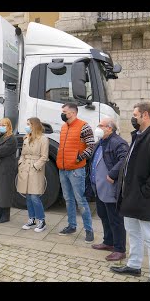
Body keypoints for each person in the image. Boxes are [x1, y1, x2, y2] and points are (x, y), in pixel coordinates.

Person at [110, 102, 150, 282]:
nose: (133, 117)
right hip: (130, 195)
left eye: (135, 114)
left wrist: (146, 190)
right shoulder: (138, 135)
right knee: (133, 232)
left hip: (144, 196)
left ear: (145, 115)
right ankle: (134, 266)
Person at [90, 117, 129, 261]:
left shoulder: (118, 142)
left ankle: (119, 249)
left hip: (110, 187)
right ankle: (108, 242)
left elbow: (124, 159)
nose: (98, 127)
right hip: (99, 187)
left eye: (101, 125)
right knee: (104, 216)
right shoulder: (101, 142)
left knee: (115, 219)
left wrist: (113, 173)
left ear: (110, 129)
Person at [57, 103, 96, 243]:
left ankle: (88, 230)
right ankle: (72, 226)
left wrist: (79, 158)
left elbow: (91, 146)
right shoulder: (63, 127)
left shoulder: (84, 126)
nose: (62, 113)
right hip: (63, 169)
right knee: (68, 199)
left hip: (76, 170)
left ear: (72, 113)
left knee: (81, 200)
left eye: (64, 111)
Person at [16, 117, 49, 233]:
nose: (27, 126)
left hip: (35, 170)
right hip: (25, 168)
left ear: (34, 125)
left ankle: (41, 220)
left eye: (29, 124)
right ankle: (32, 219)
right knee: (28, 196)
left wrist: (35, 166)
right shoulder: (26, 138)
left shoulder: (43, 139)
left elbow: (44, 156)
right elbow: (22, 154)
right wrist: (20, 163)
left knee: (34, 196)